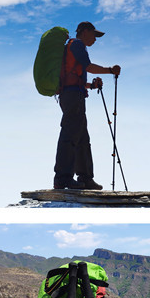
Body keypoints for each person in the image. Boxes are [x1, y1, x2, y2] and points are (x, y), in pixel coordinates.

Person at [53, 22, 121, 191]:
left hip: (73, 95)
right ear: (85, 32)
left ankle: (85, 178)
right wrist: (110, 70)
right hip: (73, 97)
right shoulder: (77, 44)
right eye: (94, 35)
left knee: (82, 138)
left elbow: (76, 79)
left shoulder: (73, 47)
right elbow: (88, 67)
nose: (95, 40)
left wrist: (91, 86)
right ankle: (63, 178)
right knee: (70, 135)